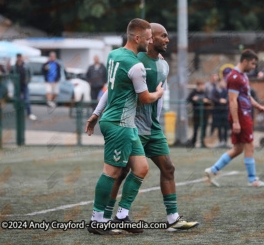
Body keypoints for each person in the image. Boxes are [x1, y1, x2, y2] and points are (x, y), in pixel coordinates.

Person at [92, 23, 199, 232]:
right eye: (163, 36)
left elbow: (159, 96)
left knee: (168, 168)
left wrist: (157, 120)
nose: (167, 40)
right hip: (132, 125)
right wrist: (97, 112)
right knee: (120, 172)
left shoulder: (164, 64)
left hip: (153, 127)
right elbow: (113, 90)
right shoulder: (135, 61)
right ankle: (104, 218)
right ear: (149, 39)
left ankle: (172, 219)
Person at [84, 18, 163, 235]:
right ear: (137, 38)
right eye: (148, 39)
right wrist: (159, 93)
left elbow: (112, 88)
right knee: (111, 172)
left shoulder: (114, 55)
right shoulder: (136, 66)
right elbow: (146, 99)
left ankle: (120, 217)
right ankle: (97, 220)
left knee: (141, 168)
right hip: (119, 124)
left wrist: (95, 114)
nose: (150, 43)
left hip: (124, 124)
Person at [205, 49, 264, 187]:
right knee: (250, 145)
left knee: (238, 149)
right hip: (241, 116)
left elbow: (246, 96)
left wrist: (258, 106)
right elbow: (232, 100)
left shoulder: (243, 76)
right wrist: (236, 121)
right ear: (245, 61)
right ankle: (253, 180)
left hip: (244, 114)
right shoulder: (234, 77)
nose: (254, 67)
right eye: (252, 64)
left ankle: (212, 170)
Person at [11, 53, 36, 120]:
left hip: (24, 84)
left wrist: (28, 81)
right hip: (17, 85)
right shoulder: (14, 66)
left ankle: (29, 113)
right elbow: (10, 75)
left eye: (20, 57)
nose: (19, 58)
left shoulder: (26, 65)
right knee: (17, 99)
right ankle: (18, 113)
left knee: (27, 98)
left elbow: (30, 74)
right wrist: (13, 82)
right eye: (18, 57)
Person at [187, 80, 210, 148]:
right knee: (195, 129)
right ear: (198, 86)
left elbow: (209, 99)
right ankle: (193, 143)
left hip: (204, 114)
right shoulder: (193, 92)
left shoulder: (205, 93)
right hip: (196, 113)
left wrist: (204, 100)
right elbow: (188, 99)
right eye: (202, 85)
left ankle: (203, 143)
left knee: (204, 129)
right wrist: (193, 99)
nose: (203, 87)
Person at [211, 78, 229, 147]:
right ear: (219, 82)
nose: (224, 83)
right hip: (217, 111)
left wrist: (225, 100)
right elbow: (212, 98)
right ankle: (220, 141)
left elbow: (228, 98)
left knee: (225, 126)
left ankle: (225, 141)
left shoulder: (225, 90)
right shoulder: (214, 90)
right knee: (219, 127)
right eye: (223, 82)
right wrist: (219, 100)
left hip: (225, 111)